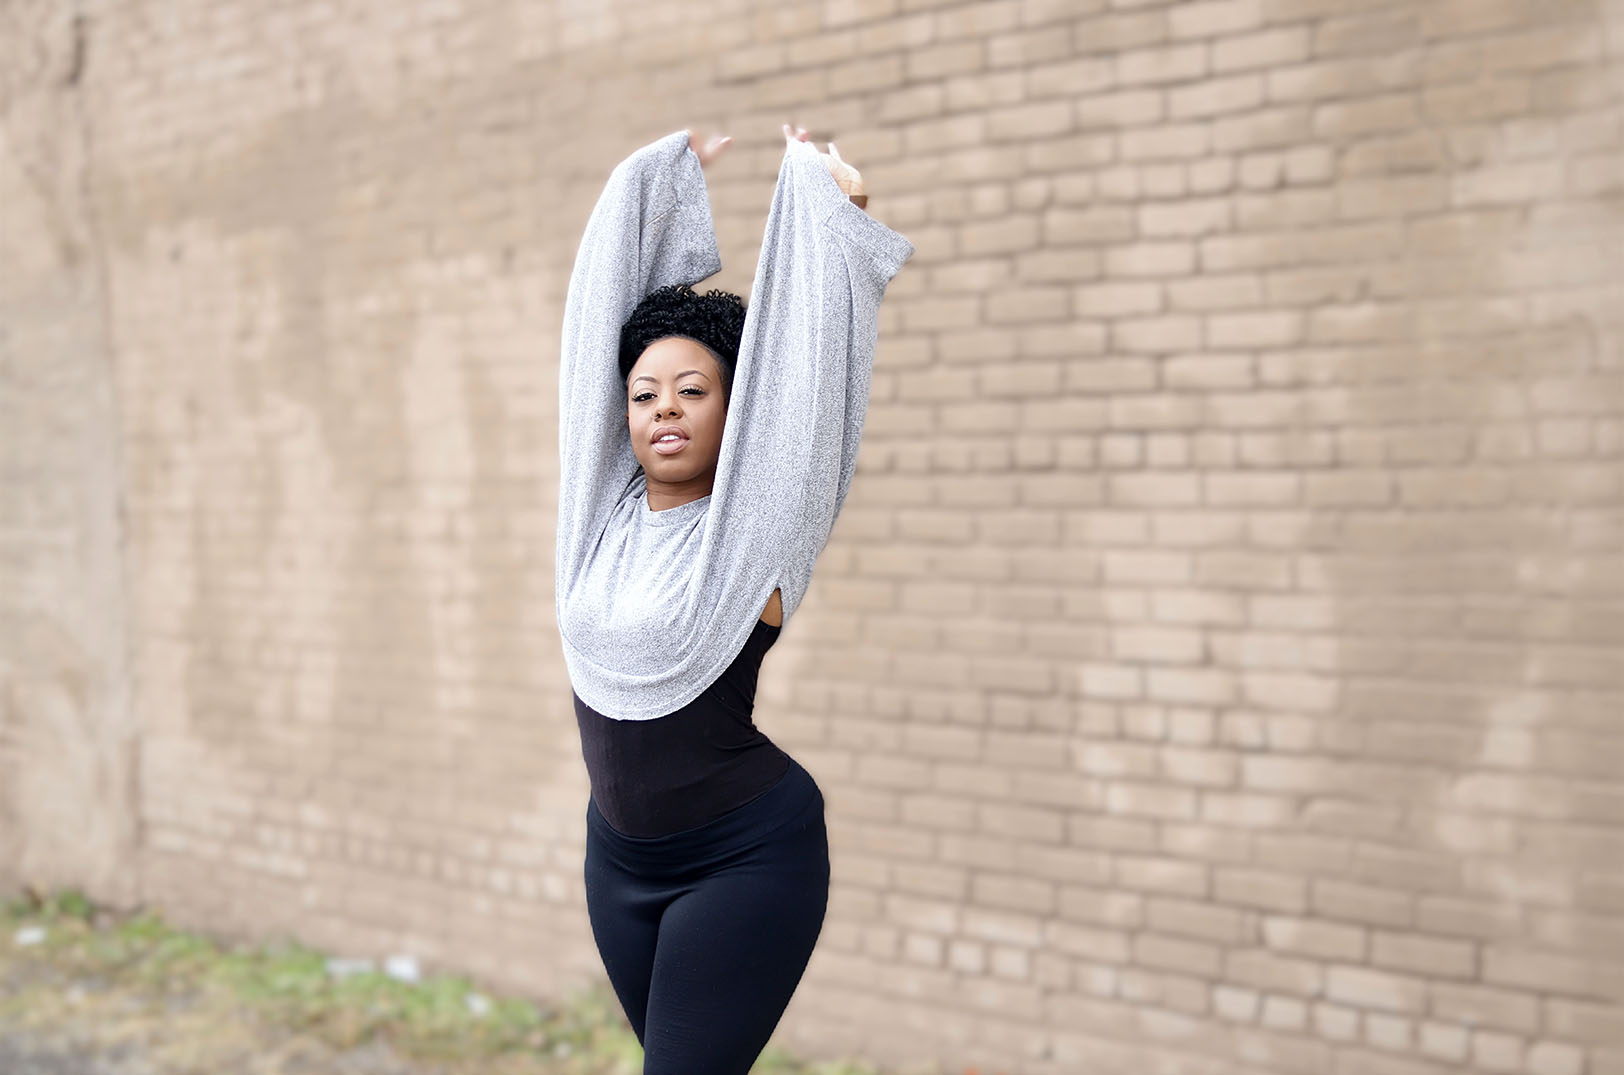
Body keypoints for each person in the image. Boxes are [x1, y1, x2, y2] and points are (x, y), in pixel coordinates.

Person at [554, 119, 915, 1073]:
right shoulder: (598, 516)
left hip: (745, 860)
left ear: (736, 408)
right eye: (643, 394)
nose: (663, 406)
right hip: (618, 864)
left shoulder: (753, 528)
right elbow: (595, 322)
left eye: (693, 390)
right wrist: (650, 183)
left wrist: (833, 211)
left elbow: (803, 380)